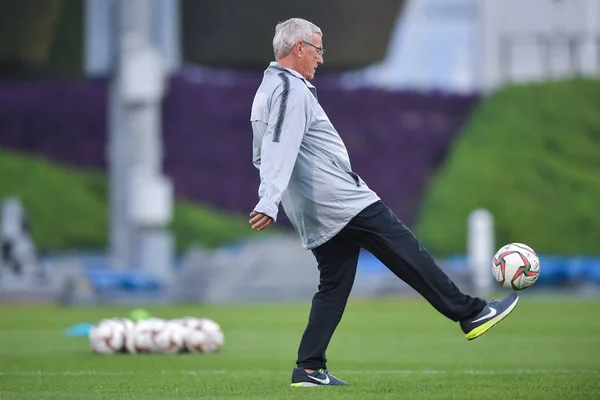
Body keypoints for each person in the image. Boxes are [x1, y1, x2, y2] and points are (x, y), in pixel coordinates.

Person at [248, 17, 519, 387]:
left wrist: (285, 198)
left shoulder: (266, 90)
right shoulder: (290, 90)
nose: (321, 59)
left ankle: (309, 368)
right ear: (299, 49)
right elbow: (278, 145)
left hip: (313, 208)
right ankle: (470, 313)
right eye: (318, 50)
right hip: (340, 199)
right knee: (407, 251)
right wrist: (268, 200)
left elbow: (261, 154)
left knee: (333, 285)